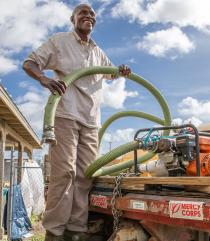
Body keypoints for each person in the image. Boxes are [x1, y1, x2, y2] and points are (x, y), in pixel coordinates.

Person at [23, 3, 131, 241]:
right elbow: (29, 63)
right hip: (65, 115)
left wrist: (120, 70)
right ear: (73, 18)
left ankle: (76, 231)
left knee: (85, 176)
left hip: (91, 121)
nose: (89, 16)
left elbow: (111, 71)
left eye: (92, 14)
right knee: (65, 173)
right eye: (83, 12)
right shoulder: (59, 42)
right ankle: (54, 233)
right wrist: (43, 79)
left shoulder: (97, 51)